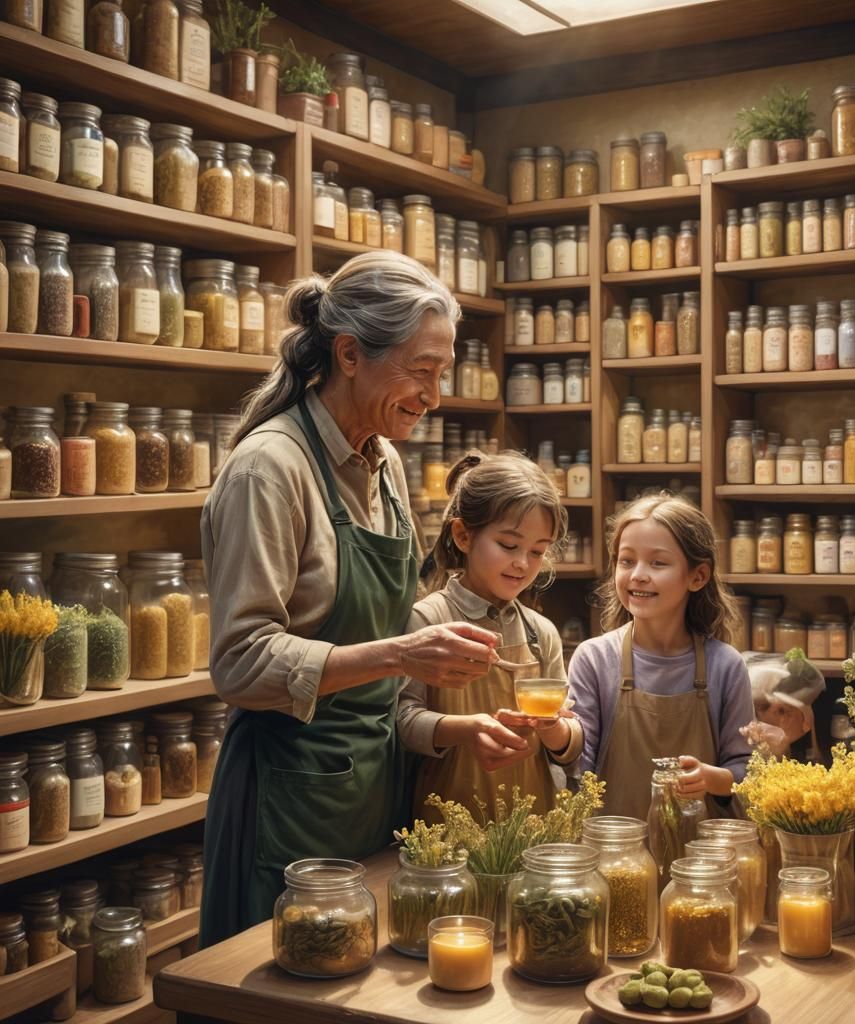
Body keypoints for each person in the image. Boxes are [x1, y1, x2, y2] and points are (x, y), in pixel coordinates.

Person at [199, 253, 500, 946]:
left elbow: (396, 619)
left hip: (375, 785)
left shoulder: (385, 461)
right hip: (290, 798)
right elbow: (240, 663)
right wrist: (401, 653)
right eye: (420, 371)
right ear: (348, 354)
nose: (433, 394)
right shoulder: (270, 469)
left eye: (441, 374)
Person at [398, 451, 582, 819]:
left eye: (537, 551)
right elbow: (402, 721)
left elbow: (571, 745)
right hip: (448, 822)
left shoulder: (540, 632)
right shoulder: (428, 619)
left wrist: (553, 727)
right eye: (509, 546)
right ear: (463, 535)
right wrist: (465, 729)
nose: (523, 563)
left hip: (531, 825)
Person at [567, 495, 754, 821]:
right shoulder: (594, 659)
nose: (638, 574)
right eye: (627, 561)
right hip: (615, 854)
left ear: (697, 577)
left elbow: (748, 772)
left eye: (658, 563)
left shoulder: (726, 666)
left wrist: (711, 778)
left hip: (702, 861)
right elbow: (578, 770)